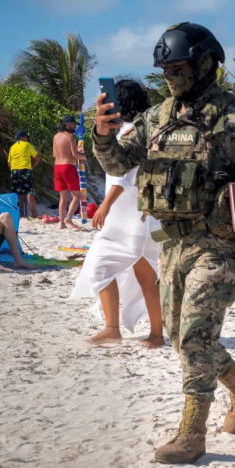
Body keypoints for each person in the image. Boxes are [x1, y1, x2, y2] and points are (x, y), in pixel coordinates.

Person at [92, 22, 235, 465]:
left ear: (205, 64)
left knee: (198, 335)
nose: (170, 78)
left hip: (219, 245)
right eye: (164, 70)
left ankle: (192, 433)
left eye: (178, 68)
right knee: (183, 340)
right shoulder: (157, 118)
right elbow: (120, 162)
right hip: (173, 245)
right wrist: (103, 135)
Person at [71, 80, 164, 349]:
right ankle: (115, 328)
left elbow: (124, 175)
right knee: (109, 267)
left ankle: (153, 333)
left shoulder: (130, 131)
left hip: (132, 216)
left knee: (138, 272)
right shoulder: (135, 131)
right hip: (131, 215)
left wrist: (105, 204)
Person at [53, 115, 83, 229]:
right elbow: (75, 155)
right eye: (73, 124)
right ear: (67, 125)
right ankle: (68, 218)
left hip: (57, 167)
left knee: (63, 197)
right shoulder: (70, 137)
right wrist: (84, 156)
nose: (75, 126)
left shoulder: (55, 136)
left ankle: (61, 223)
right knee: (76, 196)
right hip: (68, 167)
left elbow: (54, 155)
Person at [8, 129, 40, 218]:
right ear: (22, 138)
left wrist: (14, 170)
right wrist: (31, 168)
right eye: (26, 137)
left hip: (14, 172)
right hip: (25, 170)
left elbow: (9, 163)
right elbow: (37, 158)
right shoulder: (27, 145)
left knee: (19, 194)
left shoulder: (12, 147)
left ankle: (21, 215)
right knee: (30, 192)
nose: (27, 138)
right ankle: (34, 214)